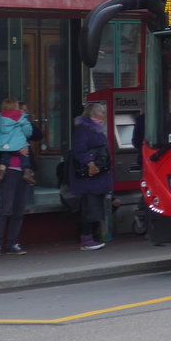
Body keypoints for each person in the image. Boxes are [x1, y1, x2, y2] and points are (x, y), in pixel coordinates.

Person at [0, 98, 36, 256]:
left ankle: (3, 245)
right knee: (10, 209)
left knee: (12, 209)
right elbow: (29, 133)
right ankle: (6, 244)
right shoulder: (21, 120)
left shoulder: (0, 119)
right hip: (18, 170)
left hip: (11, 170)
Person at [70, 102, 113, 250]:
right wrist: (90, 163)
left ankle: (93, 237)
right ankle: (87, 239)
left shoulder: (97, 128)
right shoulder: (84, 129)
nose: (103, 115)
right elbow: (79, 150)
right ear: (93, 114)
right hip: (89, 176)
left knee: (94, 207)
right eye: (101, 112)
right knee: (89, 208)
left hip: (97, 176)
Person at [0, 98, 35, 186]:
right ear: (15, 107)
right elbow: (28, 132)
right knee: (25, 155)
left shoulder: (0, 118)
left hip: (5, 144)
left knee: (5, 156)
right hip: (19, 144)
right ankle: (27, 172)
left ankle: (1, 172)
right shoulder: (21, 118)